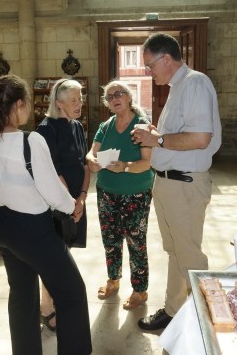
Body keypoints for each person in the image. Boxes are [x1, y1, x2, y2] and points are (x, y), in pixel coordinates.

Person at [0, 75, 92, 355]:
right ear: (17, 105)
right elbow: (52, 190)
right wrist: (74, 206)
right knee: (72, 293)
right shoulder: (30, 140)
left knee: (22, 296)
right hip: (33, 230)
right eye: (26, 102)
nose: (28, 108)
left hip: (3, 225)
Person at [131, 33, 222, 330]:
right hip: (169, 183)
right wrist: (156, 135)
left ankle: (206, 321)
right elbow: (176, 136)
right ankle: (174, 310)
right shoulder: (177, 87)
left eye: (150, 65)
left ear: (167, 59)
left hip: (184, 185)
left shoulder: (195, 83)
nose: (149, 71)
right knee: (175, 251)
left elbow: (200, 138)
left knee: (190, 256)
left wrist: (157, 139)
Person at [86, 81, 154, 310]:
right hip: (106, 192)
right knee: (111, 240)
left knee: (136, 242)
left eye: (119, 94)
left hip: (136, 193)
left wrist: (124, 166)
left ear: (129, 97)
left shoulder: (141, 126)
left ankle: (140, 290)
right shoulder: (105, 126)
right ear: (107, 103)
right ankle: (113, 279)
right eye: (110, 96)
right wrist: (91, 161)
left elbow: (147, 163)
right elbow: (91, 152)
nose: (115, 98)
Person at [36, 78, 90, 331]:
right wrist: (71, 204)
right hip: (57, 203)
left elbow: (84, 163)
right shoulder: (46, 129)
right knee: (54, 256)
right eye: (73, 100)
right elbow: (54, 172)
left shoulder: (77, 125)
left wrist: (83, 197)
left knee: (64, 251)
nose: (79, 104)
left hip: (76, 200)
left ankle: (55, 299)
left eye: (81, 98)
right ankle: (46, 307)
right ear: (59, 103)